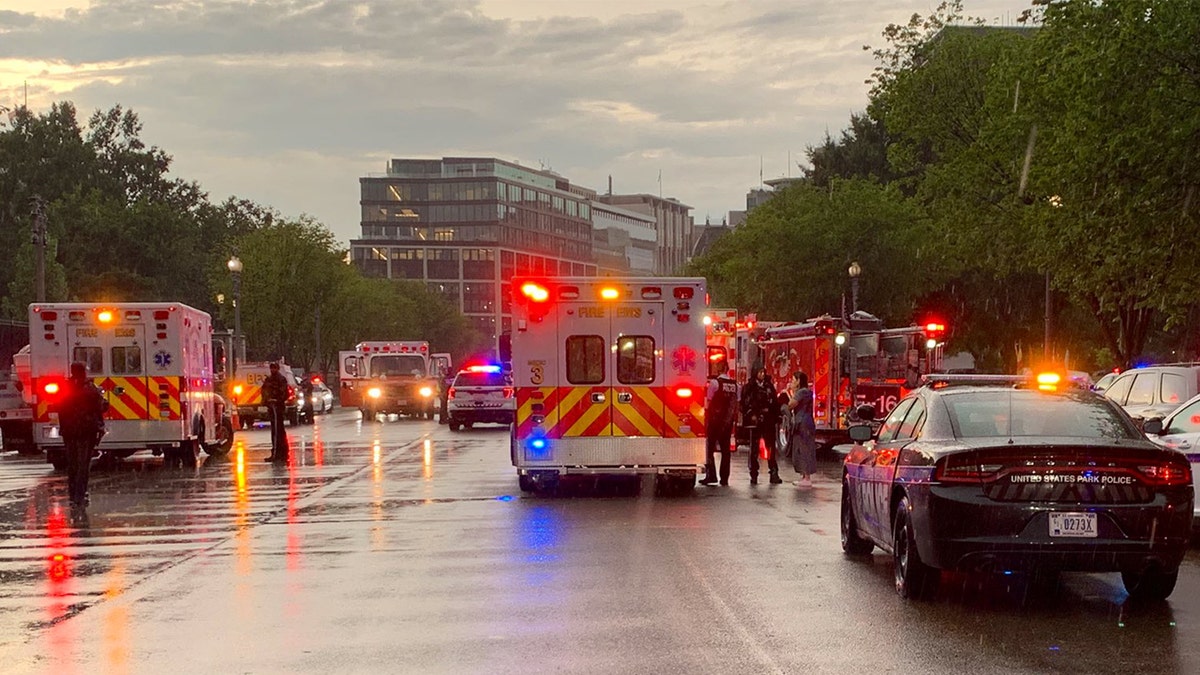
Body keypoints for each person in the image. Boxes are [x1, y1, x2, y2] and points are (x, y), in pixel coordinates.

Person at [55, 362, 108, 507]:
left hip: (69, 431)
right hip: (87, 430)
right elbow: (101, 406)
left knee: (73, 464)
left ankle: (73, 496)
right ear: (83, 372)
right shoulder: (90, 388)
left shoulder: (64, 387)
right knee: (83, 464)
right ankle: (81, 494)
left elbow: (58, 407)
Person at [740, 367, 781, 485]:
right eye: (760, 372)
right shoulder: (749, 387)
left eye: (763, 372)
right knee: (754, 448)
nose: (762, 374)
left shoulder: (769, 386)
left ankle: (773, 472)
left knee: (771, 447)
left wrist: (776, 416)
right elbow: (744, 403)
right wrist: (751, 415)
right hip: (755, 421)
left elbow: (774, 402)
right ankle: (753, 474)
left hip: (768, 420)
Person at [701, 369, 738, 486]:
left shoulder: (715, 383)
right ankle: (724, 478)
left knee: (709, 449)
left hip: (715, 421)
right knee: (726, 451)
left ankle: (711, 475)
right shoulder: (735, 385)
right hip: (727, 422)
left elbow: (709, 401)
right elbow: (737, 402)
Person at [788, 371, 818, 488]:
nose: (792, 382)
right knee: (800, 448)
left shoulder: (802, 392)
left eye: (793, 380)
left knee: (805, 448)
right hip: (804, 423)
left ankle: (806, 477)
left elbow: (791, 404)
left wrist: (789, 393)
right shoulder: (805, 392)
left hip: (803, 424)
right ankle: (804, 476)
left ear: (799, 381)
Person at [263, 362, 290, 462]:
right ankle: (275, 452)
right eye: (271, 368)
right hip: (272, 408)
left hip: (278, 408)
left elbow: (284, 393)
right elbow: (264, 391)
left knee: (279, 431)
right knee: (274, 431)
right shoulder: (269, 380)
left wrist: (277, 400)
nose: (272, 370)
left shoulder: (281, 379)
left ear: (278, 369)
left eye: (274, 368)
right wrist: (267, 401)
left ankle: (282, 453)